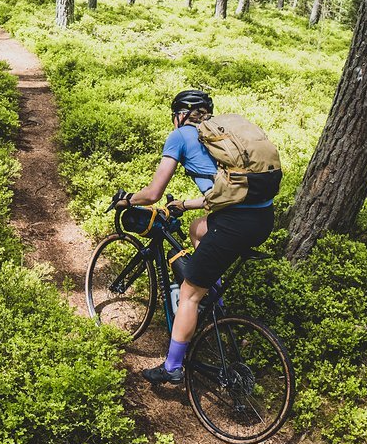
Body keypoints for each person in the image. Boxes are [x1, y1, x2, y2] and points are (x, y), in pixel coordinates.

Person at [117, 90, 276, 384]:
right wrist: (187, 205)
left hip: (233, 224)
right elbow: (229, 190)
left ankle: (172, 366)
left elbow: (153, 195)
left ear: (180, 115)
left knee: (189, 293)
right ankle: (212, 297)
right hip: (263, 218)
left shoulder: (179, 137)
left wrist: (127, 200)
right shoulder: (221, 138)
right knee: (197, 229)